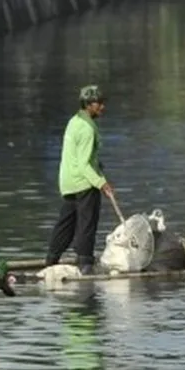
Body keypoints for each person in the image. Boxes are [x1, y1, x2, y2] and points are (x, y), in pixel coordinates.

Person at [45, 84, 113, 275]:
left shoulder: (74, 121)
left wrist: (98, 165)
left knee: (66, 223)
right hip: (84, 183)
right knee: (87, 223)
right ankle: (85, 262)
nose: (102, 107)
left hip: (68, 182)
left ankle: (51, 259)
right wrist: (101, 183)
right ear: (89, 105)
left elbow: (80, 157)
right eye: (99, 104)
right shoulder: (86, 129)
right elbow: (84, 164)